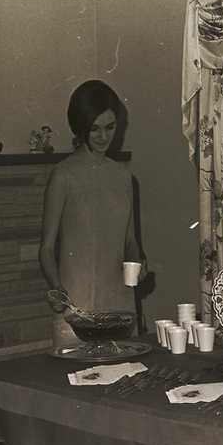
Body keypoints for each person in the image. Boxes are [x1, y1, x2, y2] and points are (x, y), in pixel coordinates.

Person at [38, 80, 147, 346]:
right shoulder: (63, 176)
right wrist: (56, 288)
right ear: (80, 126)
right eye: (94, 128)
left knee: (124, 370)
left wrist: (137, 263)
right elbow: (46, 250)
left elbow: (130, 242)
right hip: (76, 306)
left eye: (110, 127)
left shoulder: (123, 176)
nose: (103, 137)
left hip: (119, 302)